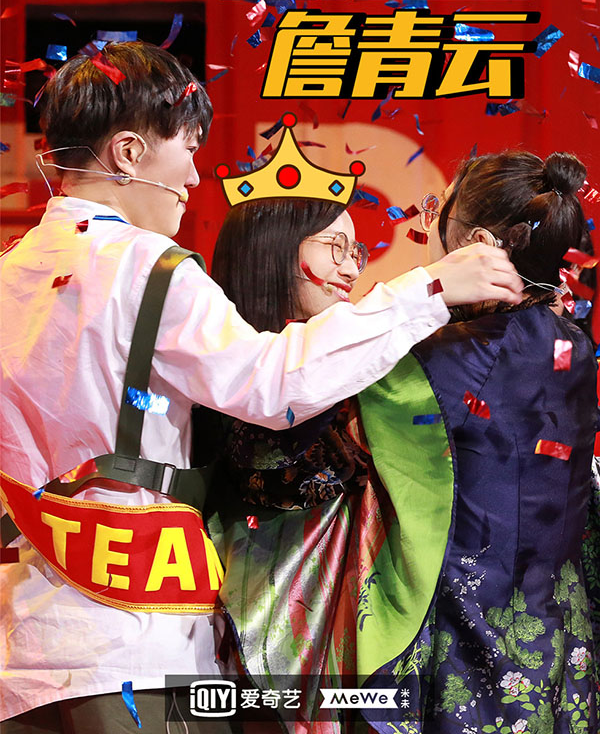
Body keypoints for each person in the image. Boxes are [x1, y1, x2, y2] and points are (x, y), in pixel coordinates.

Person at [0, 41, 523, 733]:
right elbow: (274, 384)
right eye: (187, 149)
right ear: (128, 153)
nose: (194, 176)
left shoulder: (12, 271)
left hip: (22, 642)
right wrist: (427, 289)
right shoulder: (150, 268)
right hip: (132, 645)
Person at [205, 150, 599, 734]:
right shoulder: (573, 346)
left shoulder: (430, 362)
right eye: (334, 247)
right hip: (559, 659)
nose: (350, 267)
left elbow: (270, 455)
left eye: (438, 211)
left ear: (478, 243)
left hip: (458, 657)